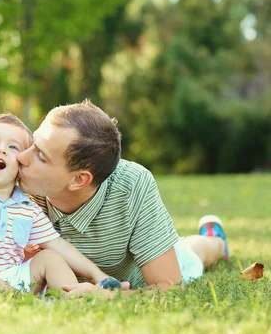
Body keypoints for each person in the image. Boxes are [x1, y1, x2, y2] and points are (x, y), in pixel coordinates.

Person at [17, 100, 229, 292]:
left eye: (41, 156)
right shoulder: (13, 179)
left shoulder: (132, 186)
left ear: (79, 180)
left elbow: (169, 287)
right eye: (32, 144)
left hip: (136, 275)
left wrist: (107, 297)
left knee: (190, 254)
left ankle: (216, 240)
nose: (20, 157)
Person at [0, 113, 121, 295]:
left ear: (23, 161)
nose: (1, 150)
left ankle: (72, 299)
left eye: (13, 147)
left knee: (50, 258)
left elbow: (58, 245)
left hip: (13, 277)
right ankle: (36, 306)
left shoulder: (28, 208)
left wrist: (98, 275)